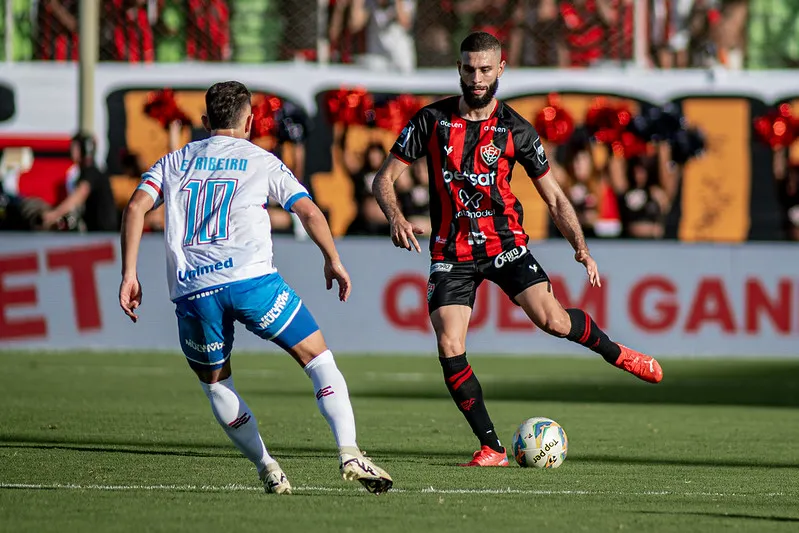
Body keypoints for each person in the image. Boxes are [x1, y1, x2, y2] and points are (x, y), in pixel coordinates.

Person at [372, 32, 663, 467]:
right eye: (469, 69)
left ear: (500, 69)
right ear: (458, 68)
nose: (476, 78)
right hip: (451, 252)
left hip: (505, 245)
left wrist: (580, 248)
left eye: (485, 69)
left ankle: (618, 353)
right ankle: (491, 446)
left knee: (555, 320)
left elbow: (556, 198)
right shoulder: (429, 121)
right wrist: (395, 217)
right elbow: (383, 179)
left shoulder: (516, 131)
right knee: (449, 344)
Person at [119, 81, 392, 495]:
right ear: (249, 121)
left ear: (205, 121)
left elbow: (136, 207)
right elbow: (307, 209)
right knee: (319, 361)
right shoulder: (260, 159)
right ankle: (349, 451)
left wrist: (129, 273)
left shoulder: (173, 161)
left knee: (217, 385)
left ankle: (267, 467)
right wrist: (333, 259)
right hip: (252, 282)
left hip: (195, 292)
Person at [42, 133, 118, 232]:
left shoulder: (90, 171)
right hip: (98, 231)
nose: (70, 151)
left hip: (102, 232)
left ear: (84, 150)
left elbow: (80, 194)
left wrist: (54, 215)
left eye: (74, 148)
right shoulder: (89, 171)